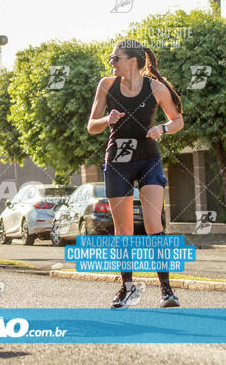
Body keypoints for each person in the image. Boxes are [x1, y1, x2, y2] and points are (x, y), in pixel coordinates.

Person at [87, 39, 184, 308]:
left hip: (148, 158)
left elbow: (177, 120)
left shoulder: (156, 87)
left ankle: (167, 290)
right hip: (118, 159)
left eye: (114, 57)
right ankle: (127, 288)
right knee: (124, 229)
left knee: (154, 222)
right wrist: (107, 119)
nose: (111, 62)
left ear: (132, 60)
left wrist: (162, 129)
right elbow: (91, 126)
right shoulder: (106, 85)